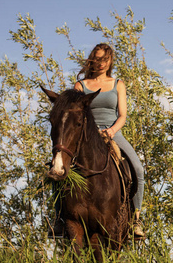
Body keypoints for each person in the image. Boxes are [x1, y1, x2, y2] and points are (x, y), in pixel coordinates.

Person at [49, 43, 145, 238]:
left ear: (110, 61)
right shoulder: (81, 86)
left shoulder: (118, 84)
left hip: (112, 133)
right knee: (57, 169)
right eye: (97, 59)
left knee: (138, 169)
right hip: (84, 134)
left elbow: (123, 116)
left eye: (104, 60)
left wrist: (110, 131)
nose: (101, 64)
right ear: (91, 61)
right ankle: (59, 218)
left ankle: (136, 219)